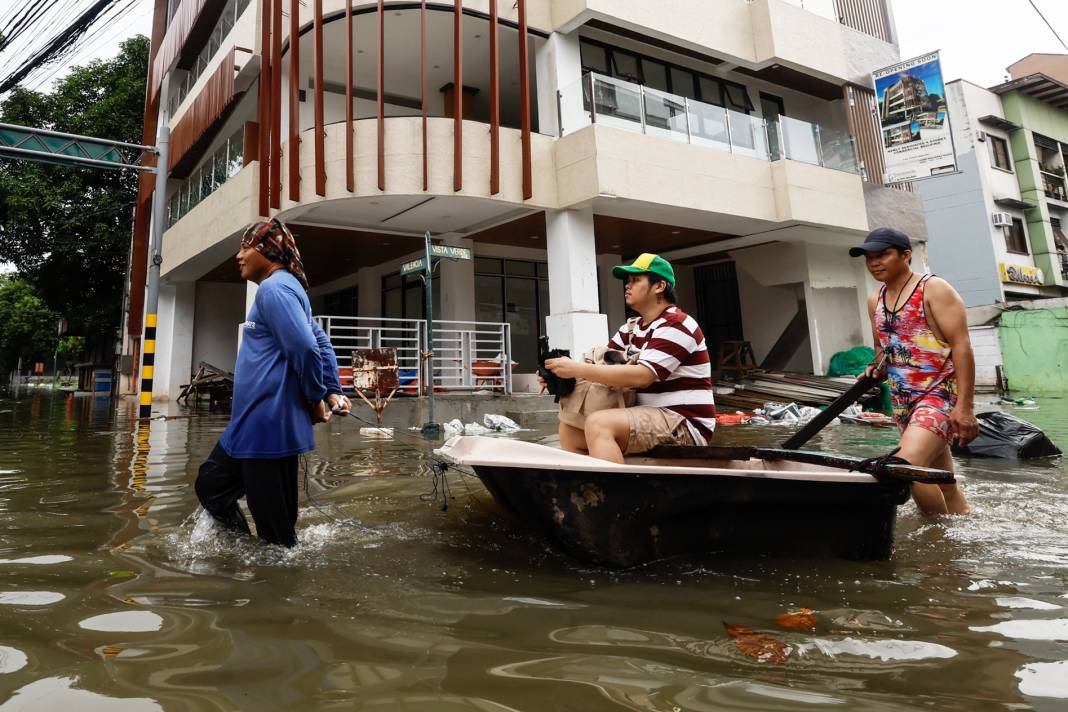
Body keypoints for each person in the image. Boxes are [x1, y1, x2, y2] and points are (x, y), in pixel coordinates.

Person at [195, 218, 351, 547]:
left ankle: (273, 581)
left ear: (267, 251)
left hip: (267, 427)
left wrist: (316, 397)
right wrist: (333, 389)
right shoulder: (286, 289)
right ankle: (240, 550)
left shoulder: (275, 289)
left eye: (245, 247)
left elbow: (308, 347)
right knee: (212, 486)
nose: (239, 255)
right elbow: (320, 343)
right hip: (254, 424)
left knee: (275, 533)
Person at [851, 227, 976, 515]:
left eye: (883, 254)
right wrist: (875, 368)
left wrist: (965, 407)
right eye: (869, 258)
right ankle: (965, 537)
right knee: (943, 482)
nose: (874, 263)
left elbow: (962, 346)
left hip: (939, 397)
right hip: (903, 402)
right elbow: (884, 350)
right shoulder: (876, 300)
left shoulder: (934, 289)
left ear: (906, 255)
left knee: (904, 468)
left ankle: (937, 543)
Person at [544, 253, 715, 463]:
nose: (628, 285)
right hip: (648, 416)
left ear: (659, 286)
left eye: (636, 280)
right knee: (569, 428)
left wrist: (576, 369)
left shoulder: (677, 324)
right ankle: (588, 487)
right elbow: (601, 367)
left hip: (683, 423)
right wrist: (557, 372)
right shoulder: (632, 328)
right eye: (628, 281)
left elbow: (643, 376)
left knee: (600, 423)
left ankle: (614, 492)